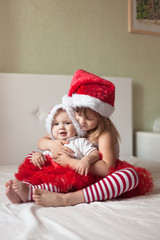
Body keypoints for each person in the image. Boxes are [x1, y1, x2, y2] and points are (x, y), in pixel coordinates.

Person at [31, 69, 153, 207]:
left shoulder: (104, 133)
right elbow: (42, 141)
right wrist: (52, 145)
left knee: (130, 176)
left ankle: (69, 199)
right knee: (34, 157)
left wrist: (71, 162)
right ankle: (30, 192)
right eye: (77, 113)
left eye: (88, 118)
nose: (81, 121)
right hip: (71, 174)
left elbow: (107, 169)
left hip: (97, 176)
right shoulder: (73, 123)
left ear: (101, 117)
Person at [5, 103, 101, 203]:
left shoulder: (79, 141)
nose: (61, 127)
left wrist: (87, 160)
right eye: (56, 124)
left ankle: (30, 193)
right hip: (46, 171)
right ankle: (21, 192)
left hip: (66, 174)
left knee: (61, 183)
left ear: (76, 126)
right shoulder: (53, 142)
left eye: (67, 123)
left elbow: (95, 153)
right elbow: (46, 154)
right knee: (32, 155)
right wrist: (38, 156)